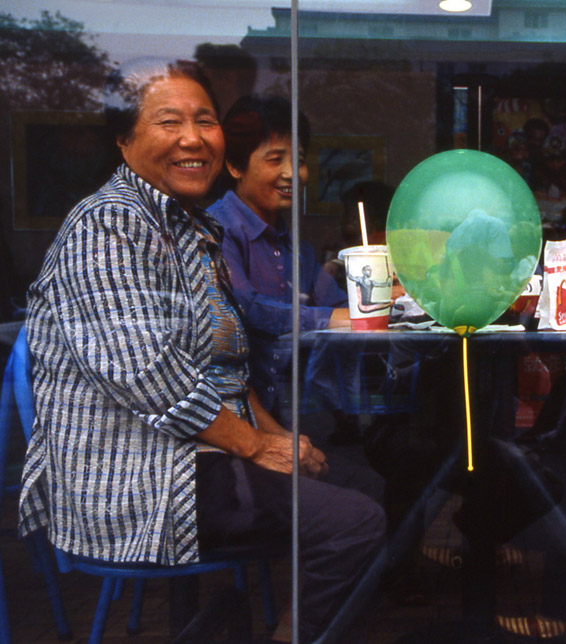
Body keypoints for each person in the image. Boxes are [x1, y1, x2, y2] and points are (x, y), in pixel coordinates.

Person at [17, 59, 385, 643]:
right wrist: (256, 445)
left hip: (197, 457)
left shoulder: (192, 231)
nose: (192, 138)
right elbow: (148, 375)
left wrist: (280, 439)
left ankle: (273, 628)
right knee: (352, 521)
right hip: (136, 478)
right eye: (169, 122)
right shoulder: (107, 226)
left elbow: (227, 369)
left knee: (360, 488)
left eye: (205, 121)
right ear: (124, 139)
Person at [207, 94, 349, 427]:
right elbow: (246, 307)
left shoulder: (296, 247)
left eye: (298, 160)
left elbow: (337, 303)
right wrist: (332, 318)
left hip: (290, 414)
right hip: (230, 419)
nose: (291, 173)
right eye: (275, 159)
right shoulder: (216, 228)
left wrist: (384, 299)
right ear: (235, 166)